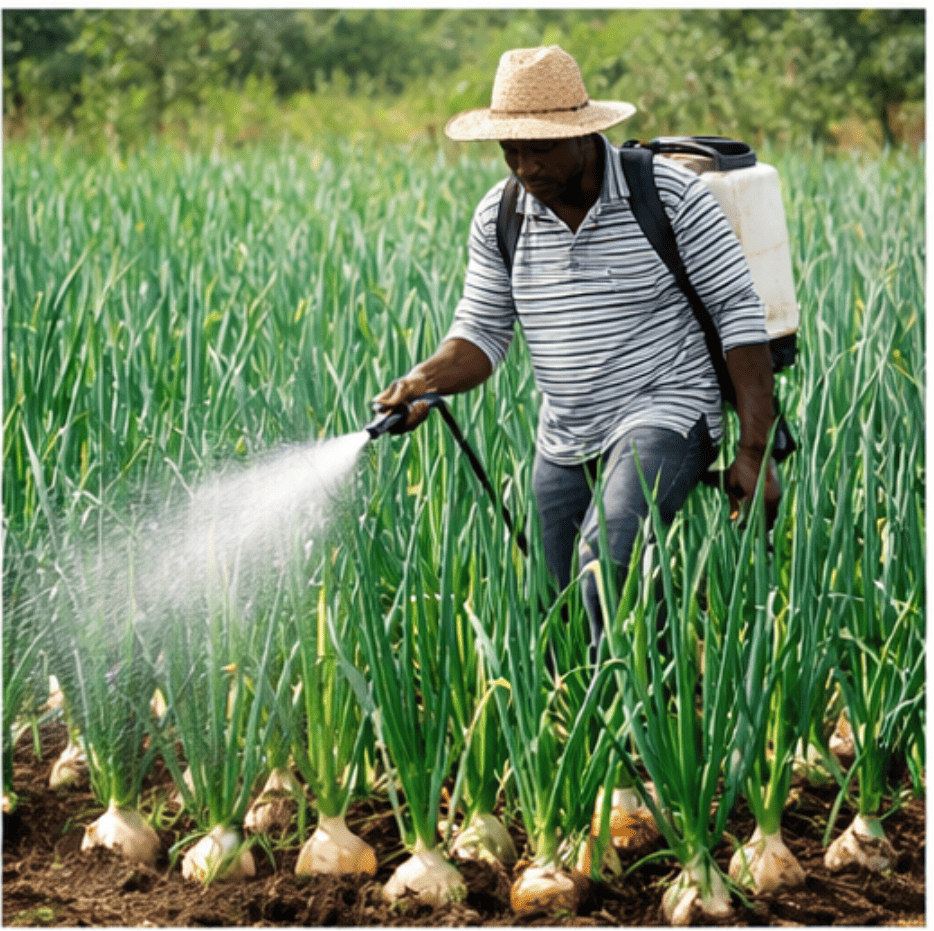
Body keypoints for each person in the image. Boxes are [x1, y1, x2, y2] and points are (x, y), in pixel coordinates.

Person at [375, 45, 780, 653]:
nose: (523, 166)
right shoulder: (501, 215)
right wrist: (423, 381)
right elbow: (481, 335)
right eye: (510, 150)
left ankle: (650, 728)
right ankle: (622, 711)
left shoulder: (670, 199)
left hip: (666, 408)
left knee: (607, 563)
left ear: (583, 135)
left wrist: (756, 450)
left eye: (538, 149)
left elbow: (739, 321)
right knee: (560, 600)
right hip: (566, 431)